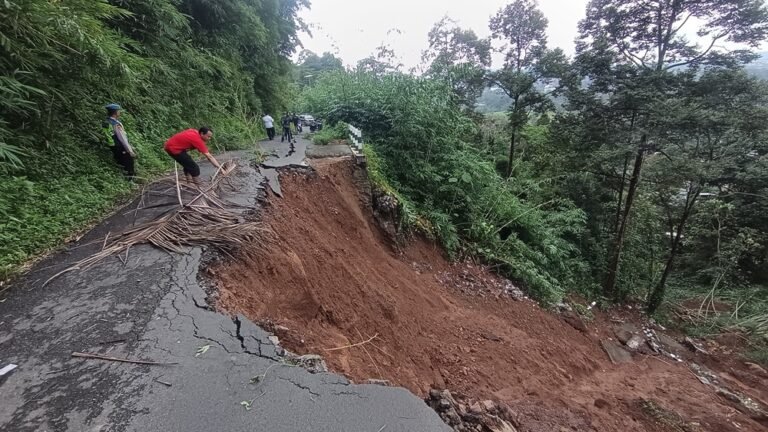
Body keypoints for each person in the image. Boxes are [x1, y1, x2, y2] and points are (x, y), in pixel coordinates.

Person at [103, 103, 136, 179]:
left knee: (119, 162)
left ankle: (123, 179)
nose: (119, 112)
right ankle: (129, 180)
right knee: (128, 163)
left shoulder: (106, 122)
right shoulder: (116, 124)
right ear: (115, 112)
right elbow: (122, 138)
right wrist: (130, 150)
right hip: (120, 145)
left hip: (112, 145)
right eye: (118, 111)